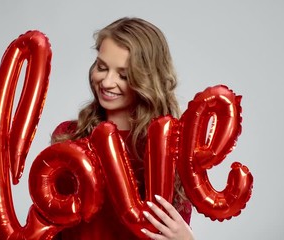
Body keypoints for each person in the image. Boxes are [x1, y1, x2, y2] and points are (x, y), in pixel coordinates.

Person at [51, 17, 194, 240]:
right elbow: (54, 226)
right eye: (102, 67)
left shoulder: (168, 149)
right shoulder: (69, 136)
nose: (107, 82)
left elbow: (171, 227)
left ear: (147, 80)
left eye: (123, 75)